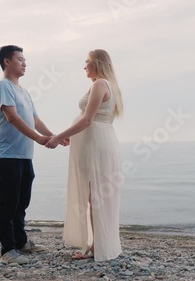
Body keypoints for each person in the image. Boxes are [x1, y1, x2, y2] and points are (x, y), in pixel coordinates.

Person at [45, 49, 124, 261]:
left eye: (87, 62)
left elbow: (88, 120)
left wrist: (58, 136)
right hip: (101, 141)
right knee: (97, 196)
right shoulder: (110, 85)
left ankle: (97, 247)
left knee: (94, 197)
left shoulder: (100, 84)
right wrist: (74, 137)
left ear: (97, 63)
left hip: (97, 144)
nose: (84, 66)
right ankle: (98, 244)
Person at [0, 45, 54, 264]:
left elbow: (35, 120)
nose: (25, 63)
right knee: (7, 205)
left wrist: (54, 136)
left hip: (25, 157)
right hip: (6, 157)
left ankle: (21, 242)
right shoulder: (3, 86)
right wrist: (38, 138)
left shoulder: (24, 92)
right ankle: (8, 251)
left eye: (25, 59)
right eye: (20, 59)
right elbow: (12, 118)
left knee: (21, 204)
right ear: (7, 61)